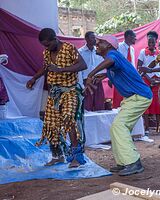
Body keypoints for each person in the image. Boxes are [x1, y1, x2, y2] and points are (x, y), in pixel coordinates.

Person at [85, 35, 152, 176]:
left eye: (100, 42)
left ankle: (134, 162)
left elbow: (112, 60)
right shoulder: (111, 63)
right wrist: (106, 75)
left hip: (140, 96)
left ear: (108, 45)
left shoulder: (113, 54)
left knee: (119, 126)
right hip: (135, 97)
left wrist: (91, 74)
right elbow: (117, 69)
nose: (97, 43)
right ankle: (123, 162)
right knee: (117, 127)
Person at [26, 28, 87, 168]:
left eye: (47, 44)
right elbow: (46, 67)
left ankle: (75, 158)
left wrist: (61, 69)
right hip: (54, 93)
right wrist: (34, 78)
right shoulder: (47, 52)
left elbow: (83, 65)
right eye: (44, 45)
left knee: (69, 119)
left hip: (70, 91)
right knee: (51, 125)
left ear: (55, 39)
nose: (46, 48)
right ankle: (57, 156)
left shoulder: (69, 48)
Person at [137, 31, 160, 135]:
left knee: (157, 104)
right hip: (146, 80)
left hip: (157, 80)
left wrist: (159, 79)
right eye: (149, 42)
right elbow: (139, 68)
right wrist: (148, 78)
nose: (150, 44)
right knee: (146, 103)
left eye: (153, 42)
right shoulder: (143, 52)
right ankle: (146, 128)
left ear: (156, 42)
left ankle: (158, 128)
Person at [79, 31, 105, 111]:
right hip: (86, 83)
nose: (94, 40)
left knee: (99, 106)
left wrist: (102, 77)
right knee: (87, 107)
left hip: (97, 81)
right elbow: (79, 71)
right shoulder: (80, 52)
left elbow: (103, 66)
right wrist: (81, 86)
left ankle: (99, 123)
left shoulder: (98, 51)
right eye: (92, 37)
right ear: (86, 39)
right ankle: (87, 123)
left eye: (95, 38)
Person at [112, 30, 137, 108]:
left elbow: (132, 64)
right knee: (118, 101)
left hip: (130, 79)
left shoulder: (132, 49)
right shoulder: (118, 47)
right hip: (120, 78)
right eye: (134, 37)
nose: (135, 39)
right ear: (129, 37)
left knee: (129, 101)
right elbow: (113, 62)